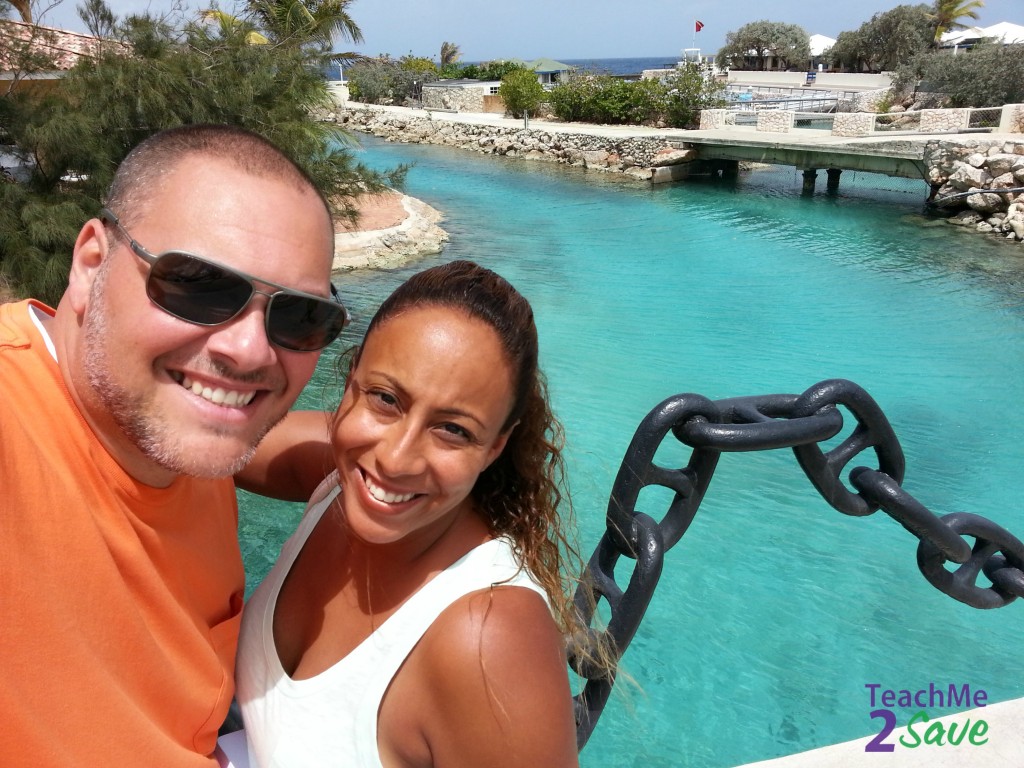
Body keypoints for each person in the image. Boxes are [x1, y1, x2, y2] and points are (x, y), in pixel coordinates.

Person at [0, 124, 348, 767]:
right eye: (198, 285)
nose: (248, 351)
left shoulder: (176, 430)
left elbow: (317, 444)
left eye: (299, 317)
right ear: (91, 263)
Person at [234, 260, 581, 767]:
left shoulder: (486, 640)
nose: (395, 459)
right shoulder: (337, 477)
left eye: (453, 430)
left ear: (495, 448)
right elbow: (194, 440)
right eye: (386, 399)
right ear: (351, 384)